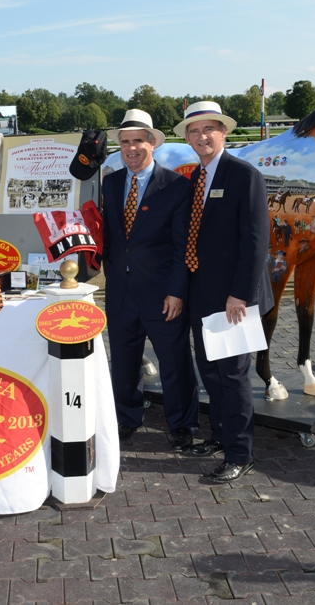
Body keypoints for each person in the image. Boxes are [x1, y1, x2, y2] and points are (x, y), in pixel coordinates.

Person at [174, 101, 274, 483]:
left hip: (233, 298)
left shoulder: (243, 175)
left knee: (232, 376)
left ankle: (240, 453)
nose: (202, 137)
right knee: (211, 373)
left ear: (224, 132)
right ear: (187, 138)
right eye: (194, 132)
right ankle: (220, 435)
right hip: (203, 294)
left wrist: (239, 295)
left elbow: (255, 242)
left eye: (209, 129)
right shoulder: (196, 179)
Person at [101, 109, 198, 450]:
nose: (131, 148)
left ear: (152, 143)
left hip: (162, 294)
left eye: (138, 141)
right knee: (124, 362)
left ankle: (183, 423)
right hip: (120, 292)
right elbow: (110, 239)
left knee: (173, 362)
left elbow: (182, 246)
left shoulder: (175, 187)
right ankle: (127, 418)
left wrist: (176, 291)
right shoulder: (110, 185)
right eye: (125, 142)